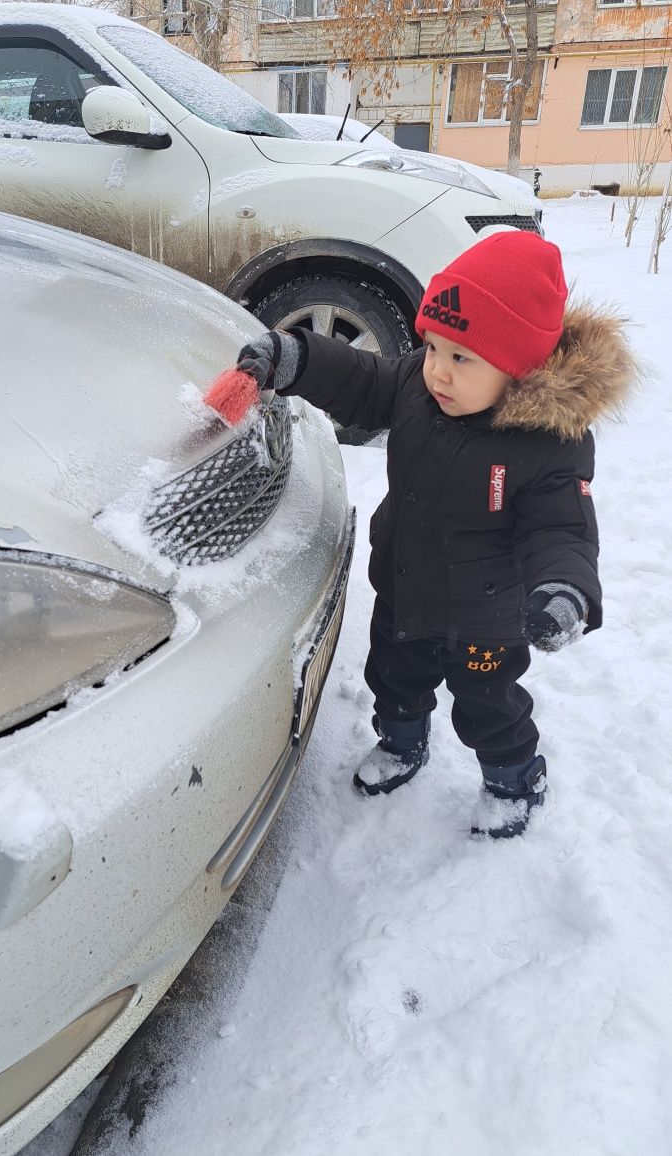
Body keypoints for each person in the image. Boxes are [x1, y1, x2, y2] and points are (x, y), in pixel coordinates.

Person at [237, 231, 637, 839]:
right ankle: (402, 743)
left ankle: (514, 778)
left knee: (488, 707)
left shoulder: (548, 447)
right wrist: (299, 358)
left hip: (486, 618)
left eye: (462, 358)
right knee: (394, 680)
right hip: (405, 588)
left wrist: (564, 590)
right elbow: (360, 377)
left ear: (518, 368)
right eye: (433, 349)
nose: (438, 372)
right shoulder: (415, 387)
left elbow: (562, 528)